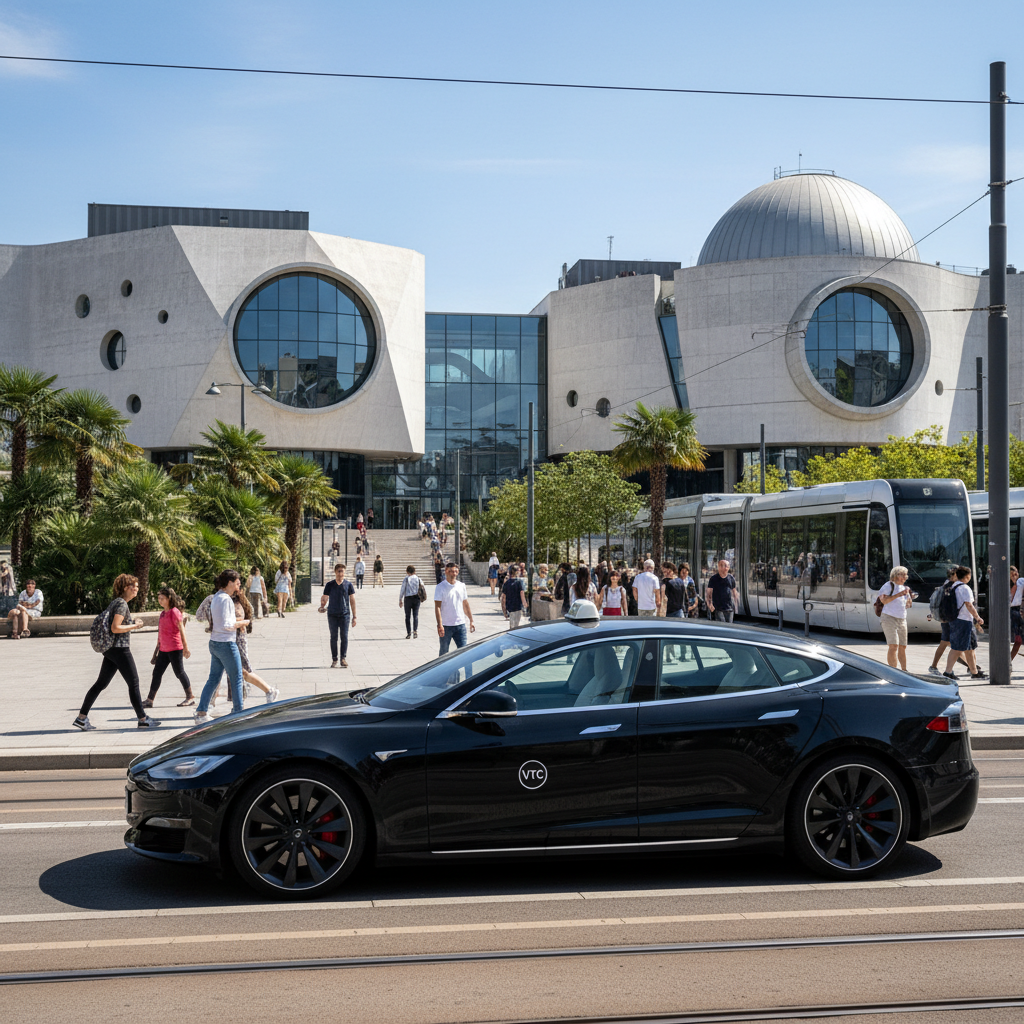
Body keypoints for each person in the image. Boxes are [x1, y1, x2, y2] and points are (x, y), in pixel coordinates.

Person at [74, 574, 157, 730]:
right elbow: (115, 627)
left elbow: (117, 624)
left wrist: (132, 622)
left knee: (101, 684)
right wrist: (135, 626)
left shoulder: (116, 603)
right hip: (120, 649)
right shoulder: (121, 604)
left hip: (111, 649)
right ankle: (143, 719)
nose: (137, 589)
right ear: (126, 587)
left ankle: (81, 718)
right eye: (135, 586)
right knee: (133, 682)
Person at [194, 569, 248, 725]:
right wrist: (242, 623)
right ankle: (238, 712)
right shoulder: (225, 599)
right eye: (237, 582)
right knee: (237, 677)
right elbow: (227, 625)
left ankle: (202, 712)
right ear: (230, 583)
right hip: (226, 643)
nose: (239, 585)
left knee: (213, 679)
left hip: (215, 642)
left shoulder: (217, 597)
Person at [144, 586, 194, 707]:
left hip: (175, 648)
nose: (160, 601)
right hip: (163, 650)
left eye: (162, 598)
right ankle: (150, 700)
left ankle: (190, 697)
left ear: (169, 598)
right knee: (157, 673)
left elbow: (182, 629)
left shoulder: (174, 612)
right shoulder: (162, 614)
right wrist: (156, 650)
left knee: (179, 673)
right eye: (159, 598)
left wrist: (186, 647)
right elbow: (160, 633)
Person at [232, 591, 280, 702]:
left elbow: (241, 618)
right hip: (234, 639)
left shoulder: (236, 603)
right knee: (239, 672)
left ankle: (269, 690)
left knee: (244, 671)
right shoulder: (238, 601)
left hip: (238, 639)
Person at [943, 565, 986, 680]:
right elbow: (969, 605)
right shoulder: (965, 588)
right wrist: (978, 617)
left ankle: (974, 672)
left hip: (958, 620)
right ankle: (948, 672)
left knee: (970, 647)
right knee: (957, 647)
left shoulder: (953, 587)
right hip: (963, 621)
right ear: (968, 576)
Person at [319, 562, 357, 668]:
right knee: (333, 637)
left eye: (342, 572)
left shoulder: (348, 585)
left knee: (344, 637)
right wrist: (322, 606)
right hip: (332, 614)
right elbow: (325, 598)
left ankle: (343, 658)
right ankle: (334, 658)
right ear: (335, 572)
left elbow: (352, 601)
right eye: (339, 571)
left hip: (345, 615)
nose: (341, 574)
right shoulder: (329, 585)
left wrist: (354, 617)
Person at [434, 561, 475, 655]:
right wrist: (439, 624)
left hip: (460, 624)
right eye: (452, 571)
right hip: (446, 625)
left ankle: (468, 670)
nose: (455, 573)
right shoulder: (440, 587)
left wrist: (471, 620)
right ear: (446, 571)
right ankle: (443, 670)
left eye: (456, 571)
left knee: (465, 652)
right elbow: (437, 607)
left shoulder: (461, 586)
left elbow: (465, 604)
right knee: (444, 653)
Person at [878, 565, 913, 670]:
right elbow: (884, 601)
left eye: (905, 575)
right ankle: (893, 671)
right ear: (894, 576)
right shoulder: (888, 586)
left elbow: (908, 605)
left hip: (902, 619)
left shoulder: (905, 588)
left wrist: (909, 600)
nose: (904, 577)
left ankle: (904, 671)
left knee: (903, 646)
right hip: (889, 618)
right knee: (893, 646)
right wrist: (898, 595)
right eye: (901, 575)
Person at [928, 567, 959, 675]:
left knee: (955, 644)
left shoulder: (946, 586)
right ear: (953, 575)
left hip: (946, 618)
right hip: (948, 619)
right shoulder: (949, 587)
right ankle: (934, 666)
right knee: (946, 642)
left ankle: (971, 666)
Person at [399, 564, 423, 638]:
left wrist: (400, 599)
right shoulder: (418, 579)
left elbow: (402, 589)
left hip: (408, 599)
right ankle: (415, 631)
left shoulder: (406, 579)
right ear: (414, 571)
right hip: (416, 598)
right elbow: (422, 588)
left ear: (407, 572)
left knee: (407, 616)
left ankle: (409, 633)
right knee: (415, 615)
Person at [501, 564, 527, 629]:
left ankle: (512, 633)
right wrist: (525, 603)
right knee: (517, 624)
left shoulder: (506, 583)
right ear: (517, 572)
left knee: (512, 624)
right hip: (518, 606)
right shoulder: (519, 582)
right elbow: (522, 593)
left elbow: (503, 597)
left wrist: (504, 609)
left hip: (510, 607)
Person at [1011, 565, 1024, 664]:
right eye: (1011, 574)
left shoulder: (1021, 582)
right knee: (1017, 639)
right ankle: (1007, 662)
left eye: (1015, 573)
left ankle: (1008, 662)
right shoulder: (1002, 584)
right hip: (1010, 612)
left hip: (1018, 610)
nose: (1014, 576)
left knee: (1018, 640)